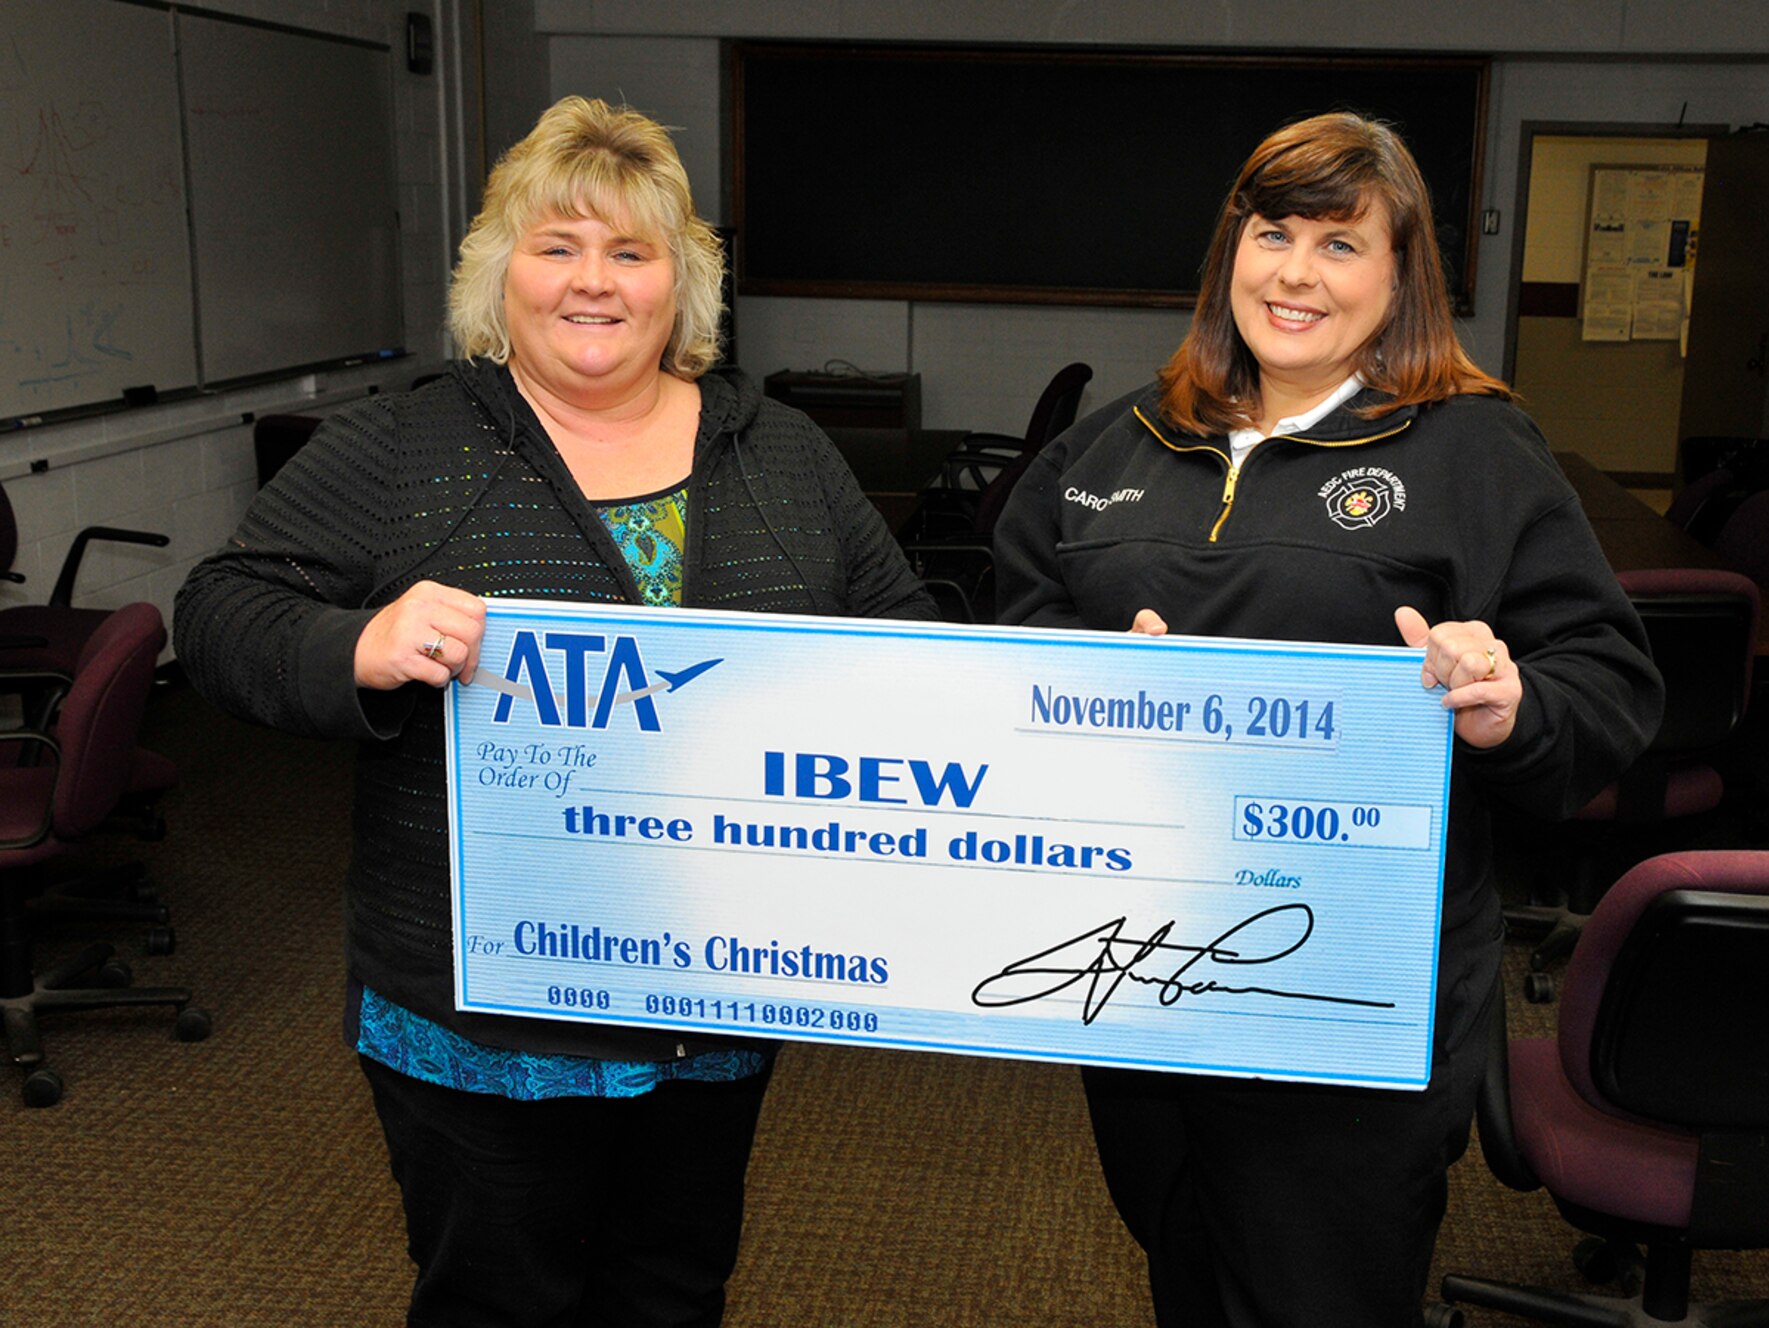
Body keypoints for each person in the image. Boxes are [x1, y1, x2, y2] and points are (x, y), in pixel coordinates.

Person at [175, 96, 935, 1327]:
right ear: (499, 275)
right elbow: (219, 610)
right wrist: (353, 643)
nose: (594, 283)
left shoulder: (781, 450)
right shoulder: (407, 443)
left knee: (671, 1288)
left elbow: (901, 636)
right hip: (479, 1011)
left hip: (715, 988)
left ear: (679, 284)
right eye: (557, 245)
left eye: (631, 253)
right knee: (496, 1298)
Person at [993, 112, 1663, 1326]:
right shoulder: (1111, 445)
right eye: (1271, 234)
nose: (1295, 272)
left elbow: (1609, 685)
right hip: (1133, 976)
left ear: (1401, 276)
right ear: (1227, 255)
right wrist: (1079, 683)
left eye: (1341, 244)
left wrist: (1508, 702)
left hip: (1349, 996)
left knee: (1319, 1292)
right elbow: (1009, 663)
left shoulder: (1476, 450)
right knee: (1184, 1261)